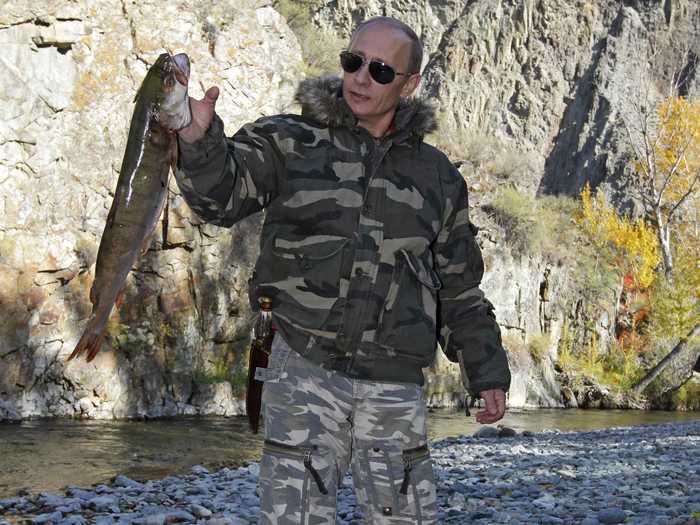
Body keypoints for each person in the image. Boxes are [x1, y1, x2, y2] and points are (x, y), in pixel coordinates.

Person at [174, 16, 511, 525]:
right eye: (353, 62)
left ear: (409, 84)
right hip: (302, 364)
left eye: (379, 70)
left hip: (394, 385)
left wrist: (485, 371)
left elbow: (459, 289)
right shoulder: (288, 139)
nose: (359, 78)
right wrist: (199, 142)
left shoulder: (438, 178)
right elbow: (221, 198)